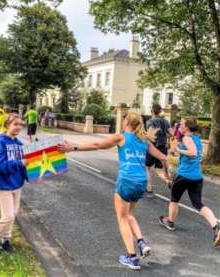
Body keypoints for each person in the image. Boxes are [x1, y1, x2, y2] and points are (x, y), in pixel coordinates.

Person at [57, 113, 171, 270]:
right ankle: (141, 243)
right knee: (129, 214)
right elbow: (164, 158)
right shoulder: (144, 141)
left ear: (127, 123)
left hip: (127, 180)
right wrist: (167, 174)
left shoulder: (121, 137)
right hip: (141, 182)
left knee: (122, 218)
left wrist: (72, 148)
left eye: (124, 119)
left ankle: (133, 259)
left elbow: (97, 145)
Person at [158, 116, 220, 247]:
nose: (179, 126)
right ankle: (216, 228)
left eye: (182, 124)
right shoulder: (196, 139)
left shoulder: (186, 138)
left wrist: (178, 149)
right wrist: (179, 145)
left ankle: (170, 222)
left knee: (174, 199)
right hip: (197, 177)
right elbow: (192, 150)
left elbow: (193, 152)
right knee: (198, 204)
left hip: (184, 175)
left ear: (187, 127)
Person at [0, 113, 31, 255]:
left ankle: (6, 240)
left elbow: (24, 167)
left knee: (13, 213)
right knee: (8, 216)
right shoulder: (0, 141)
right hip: (3, 184)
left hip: (17, 184)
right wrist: (18, 163)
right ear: (7, 125)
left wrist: (32, 177)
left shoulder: (19, 144)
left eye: (20, 124)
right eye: (15, 124)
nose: (19, 127)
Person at [144, 103, 171, 197]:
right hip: (163, 148)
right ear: (160, 112)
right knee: (159, 169)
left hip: (153, 147)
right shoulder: (165, 121)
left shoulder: (150, 122)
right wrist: (164, 136)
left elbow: (150, 136)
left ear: (152, 111)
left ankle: (149, 190)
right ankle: (168, 181)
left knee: (146, 168)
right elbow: (171, 133)